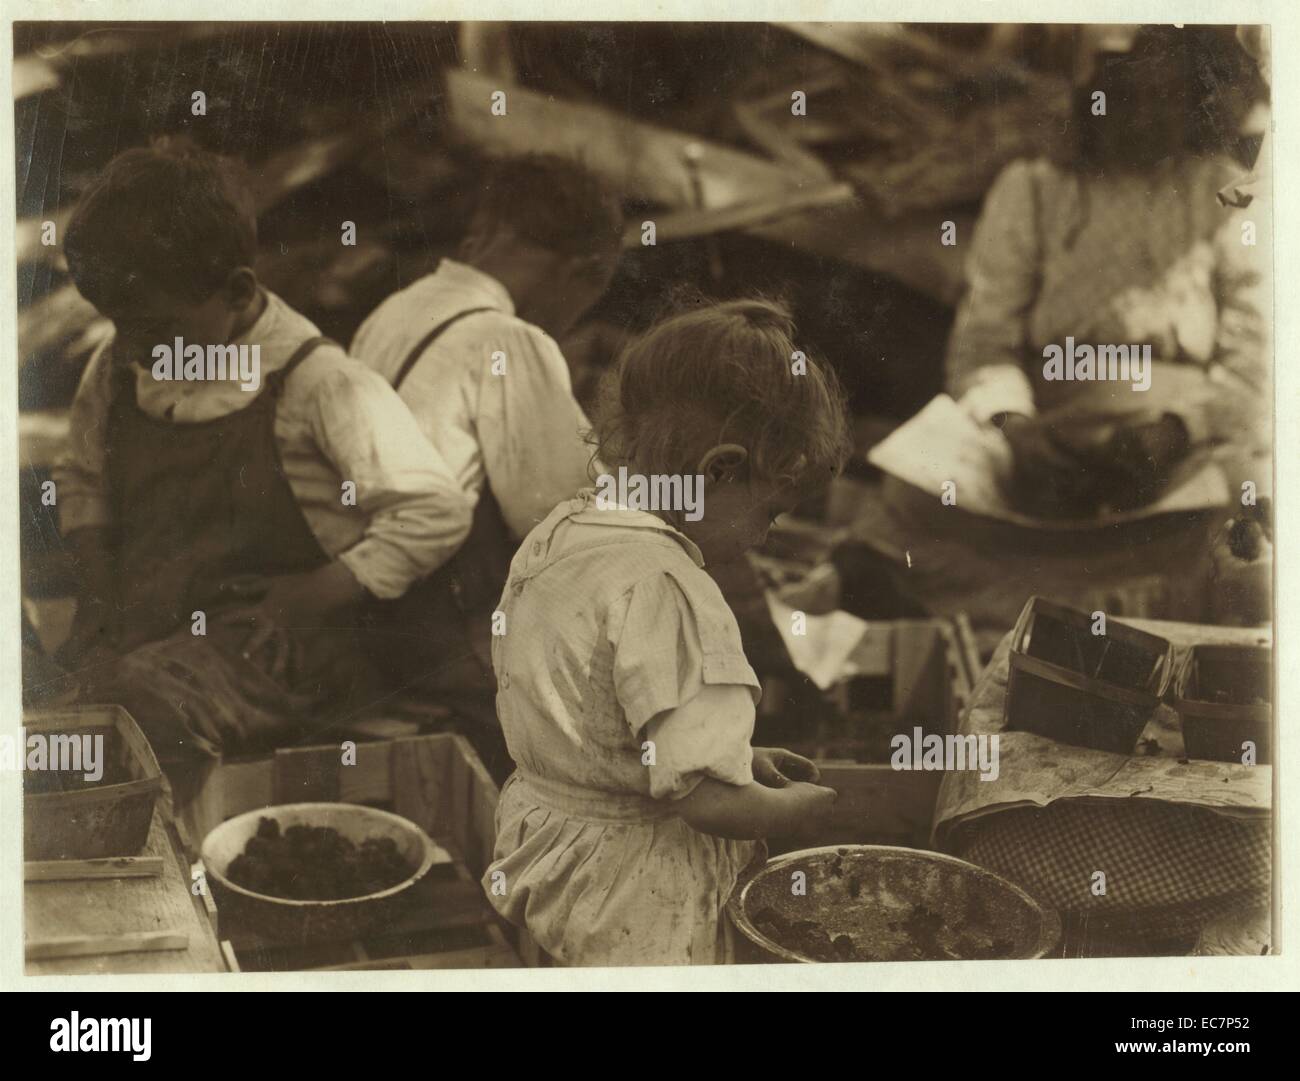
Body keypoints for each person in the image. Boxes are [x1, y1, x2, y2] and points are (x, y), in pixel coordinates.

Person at [50, 143, 473, 805]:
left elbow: (435, 508)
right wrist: (101, 600)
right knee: (62, 708)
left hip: (280, 645)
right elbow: (83, 478)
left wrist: (311, 595)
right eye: (117, 322)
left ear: (238, 291)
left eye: (153, 325)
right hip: (156, 618)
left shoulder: (316, 381)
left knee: (135, 709)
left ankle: (165, 853)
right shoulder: (123, 363)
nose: (130, 344)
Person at [481, 299, 850, 965]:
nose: (763, 537)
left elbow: (608, 718)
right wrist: (800, 811)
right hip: (636, 889)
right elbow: (709, 803)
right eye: (769, 512)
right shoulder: (669, 588)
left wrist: (736, 756)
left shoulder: (562, 532)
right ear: (719, 470)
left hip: (553, 849)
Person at [349, 153, 623, 773]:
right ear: (584, 271)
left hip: (368, 609)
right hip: (438, 633)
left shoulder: (396, 310)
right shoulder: (509, 339)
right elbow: (562, 518)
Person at [947, 25, 1268, 519]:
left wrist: (1178, 428)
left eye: (1163, 97)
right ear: (1086, 97)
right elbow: (983, 341)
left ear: (1189, 103)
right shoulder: (1034, 188)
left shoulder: (1225, 195)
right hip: (1046, 428)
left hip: (1178, 438)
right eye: (1121, 95)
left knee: (1240, 495)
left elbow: (1255, 358)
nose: (1142, 116)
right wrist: (1013, 424)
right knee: (929, 488)